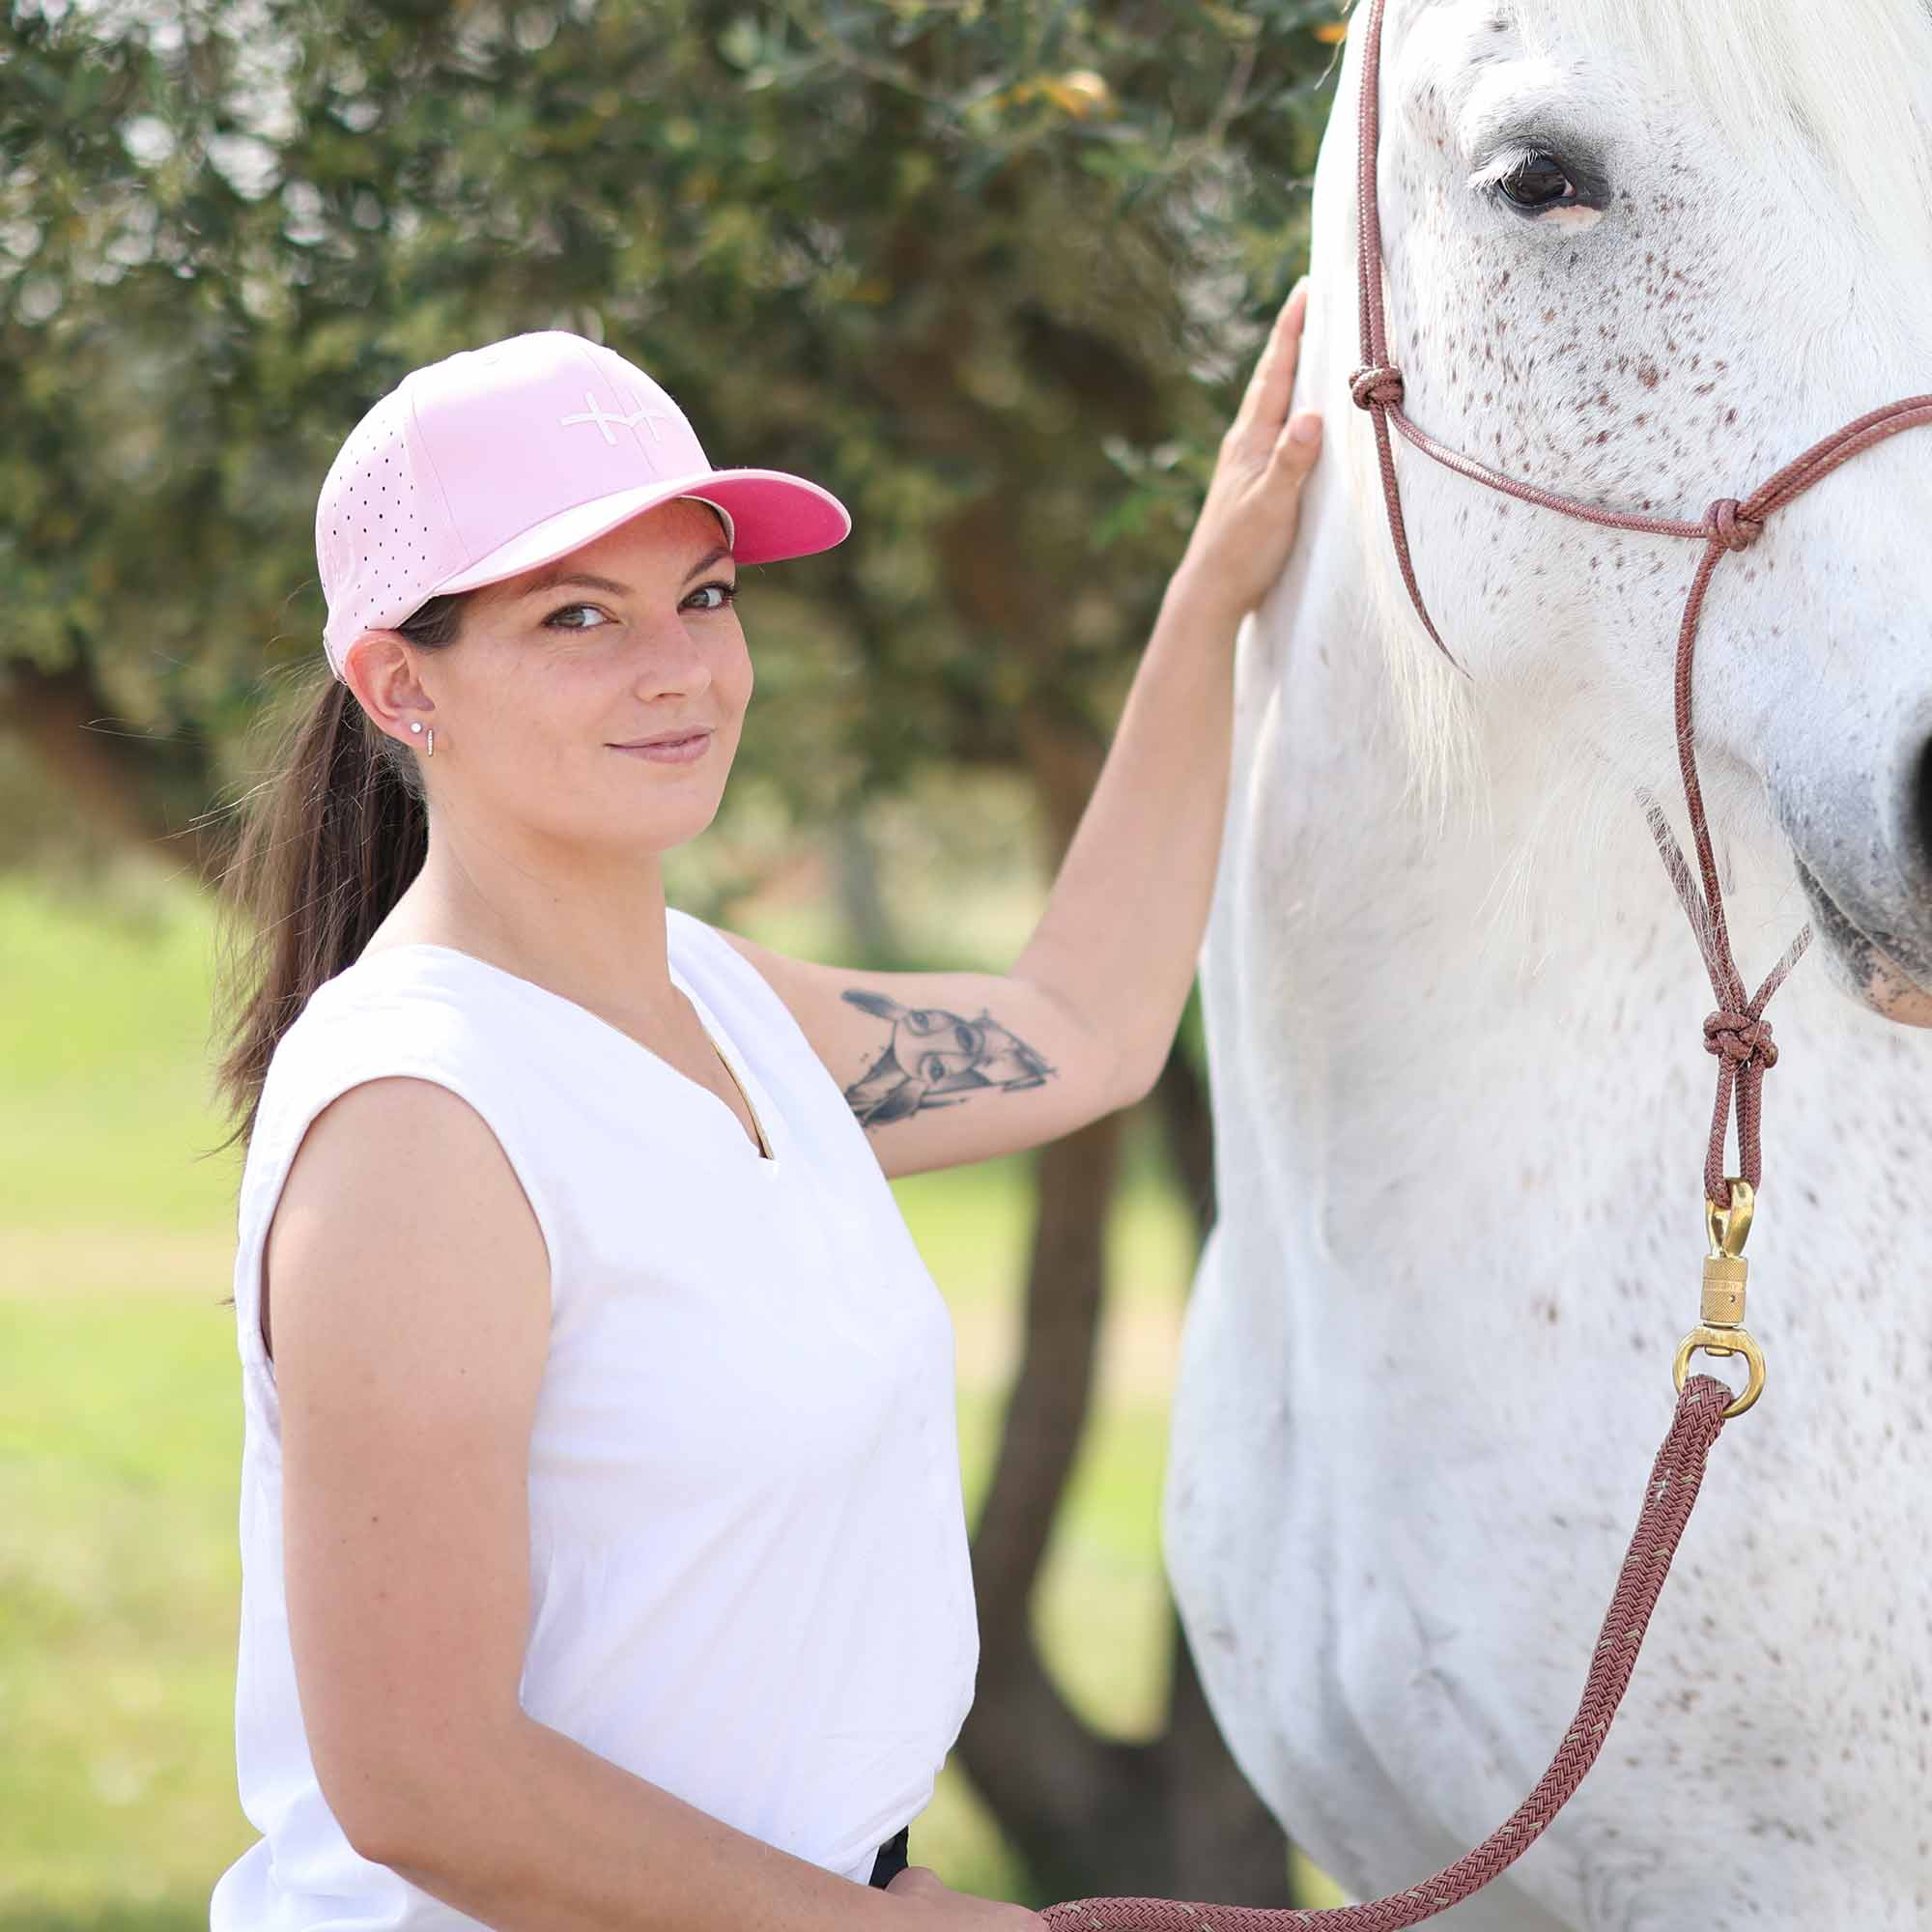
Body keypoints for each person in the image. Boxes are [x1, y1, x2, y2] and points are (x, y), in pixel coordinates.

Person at [207, 294, 1321, 1932]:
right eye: (577, 619)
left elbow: (1080, 1034)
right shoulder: (419, 1126)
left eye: (704, 595)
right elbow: (424, 1788)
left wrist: (1218, 587)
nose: (681, 671)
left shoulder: (718, 1003)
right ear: (397, 686)